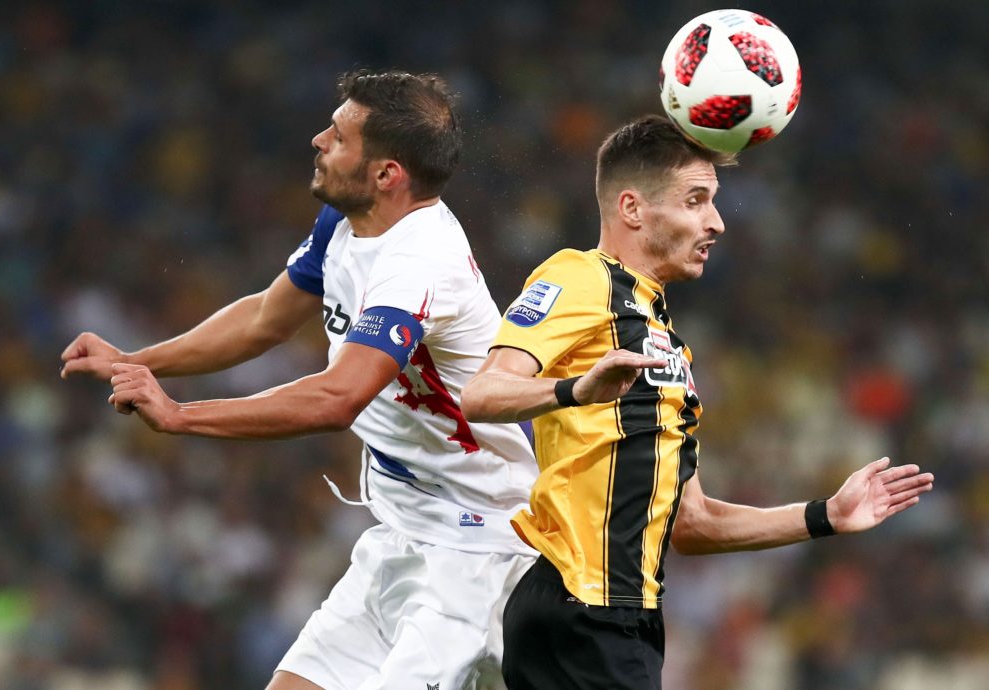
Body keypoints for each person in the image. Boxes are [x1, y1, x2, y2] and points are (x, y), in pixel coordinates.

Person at [60, 69, 538, 690]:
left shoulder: (419, 263)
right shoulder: (347, 223)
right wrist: (138, 360)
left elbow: (337, 398)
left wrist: (180, 415)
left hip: (478, 549)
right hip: (402, 533)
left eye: (338, 137)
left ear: (386, 174)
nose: (318, 140)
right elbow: (265, 318)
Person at [459, 114, 935, 690]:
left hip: (622, 618)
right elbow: (481, 394)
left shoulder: (662, 337)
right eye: (695, 201)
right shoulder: (582, 278)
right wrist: (573, 390)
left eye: (713, 200)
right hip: (583, 609)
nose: (717, 221)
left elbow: (693, 523)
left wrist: (825, 515)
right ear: (632, 208)